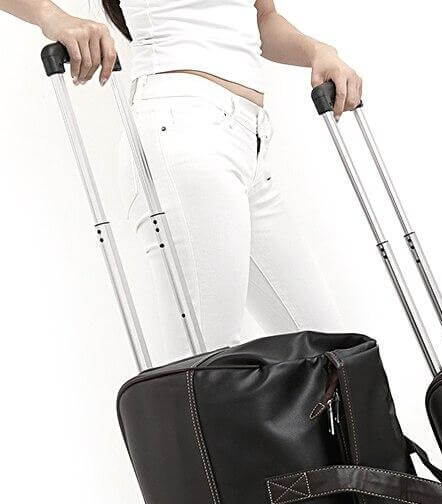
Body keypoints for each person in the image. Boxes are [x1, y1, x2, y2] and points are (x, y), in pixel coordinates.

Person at [2, 1, 361, 361]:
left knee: (331, 355)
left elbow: (262, 18)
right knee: (204, 364)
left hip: (249, 144)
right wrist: (53, 17)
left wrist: (317, 51)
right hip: (183, 128)